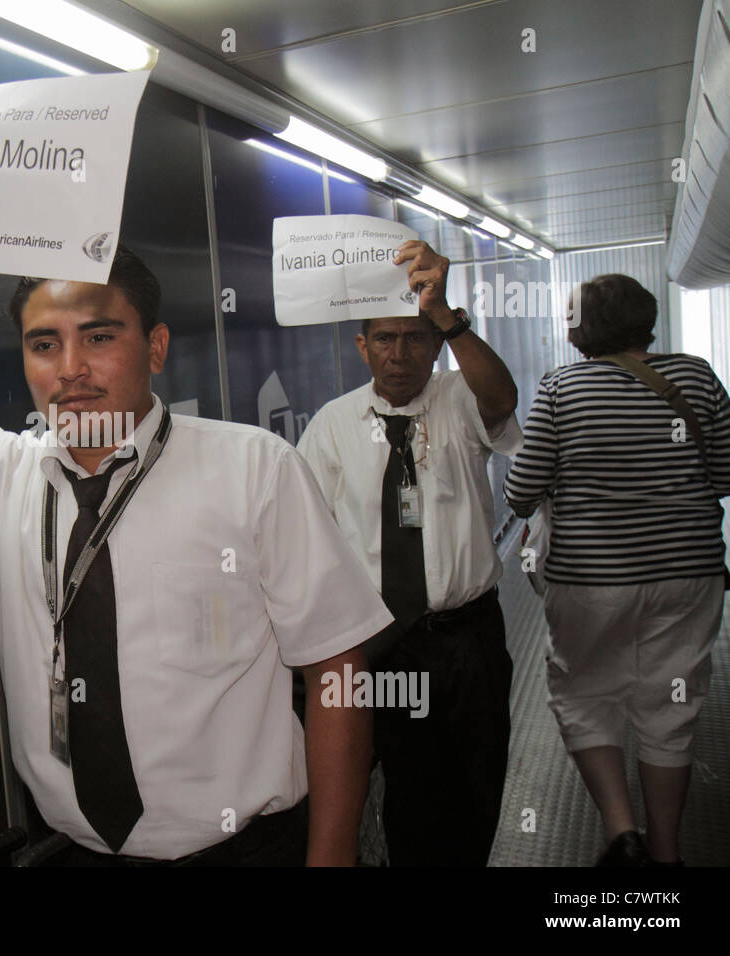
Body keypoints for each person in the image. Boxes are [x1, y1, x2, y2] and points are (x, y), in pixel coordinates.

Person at [0, 134, 395, 865]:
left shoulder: (254, 469)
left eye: (99, 336)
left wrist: (331, 859)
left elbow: (336, 667)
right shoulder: (0, 476)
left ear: (155, 348)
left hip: (245, 849)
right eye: (44, 344)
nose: (71, 369)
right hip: (77, 851)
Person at [296, 242, 522, 866]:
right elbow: (304, 533)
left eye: (417, 339)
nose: (401, 355)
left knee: (477, 783)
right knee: (410, 791)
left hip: (470, 636)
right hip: (385, 637)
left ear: (436, 342)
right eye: (386, 340)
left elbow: (502, 403)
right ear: (362, 346)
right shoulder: (333, 426)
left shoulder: (459, 399)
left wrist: (446, 314)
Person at [504, 273, 730, 867]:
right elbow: (728, 475)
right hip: (689, 574)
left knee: (584, 695)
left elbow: (521, 490)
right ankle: (668, 852)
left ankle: (621, 833)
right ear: (644, 317)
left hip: (591, 582)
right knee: (670, 707)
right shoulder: (697, 376)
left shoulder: (562, 388)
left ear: (580, 329)